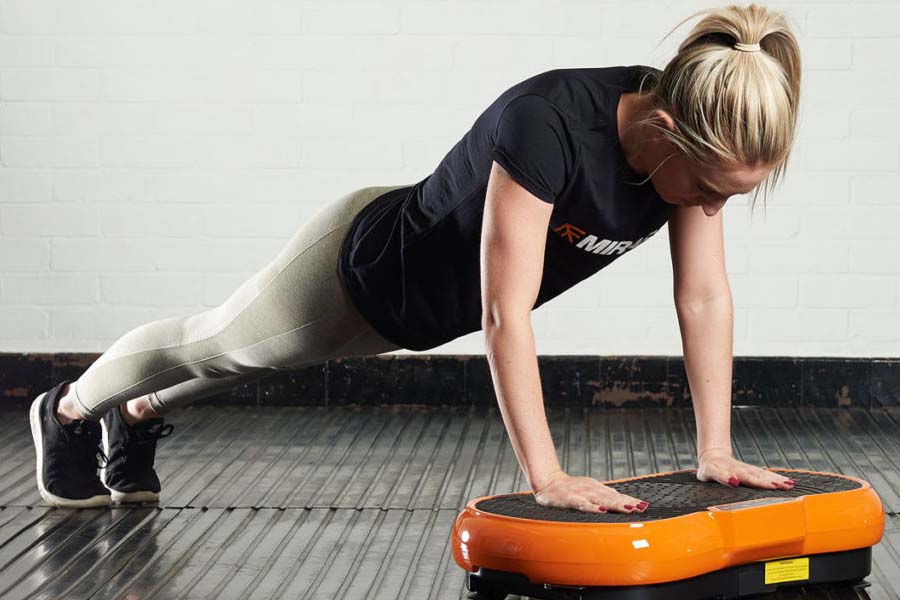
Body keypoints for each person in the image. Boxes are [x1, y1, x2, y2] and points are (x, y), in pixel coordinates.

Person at [30, 2, 801, 514]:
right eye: (707, 188)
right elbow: (506, 313)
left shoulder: (689, 156)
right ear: (668, 129)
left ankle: (133, 412)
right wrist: (548, 478)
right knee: (220, 346)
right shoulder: (551, 126)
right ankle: (67, 410)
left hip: (428, 309)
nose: (709, 209)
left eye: (730, 196)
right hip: (358, 275)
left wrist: (715, 451)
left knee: (241, 365)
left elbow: (703, 298)